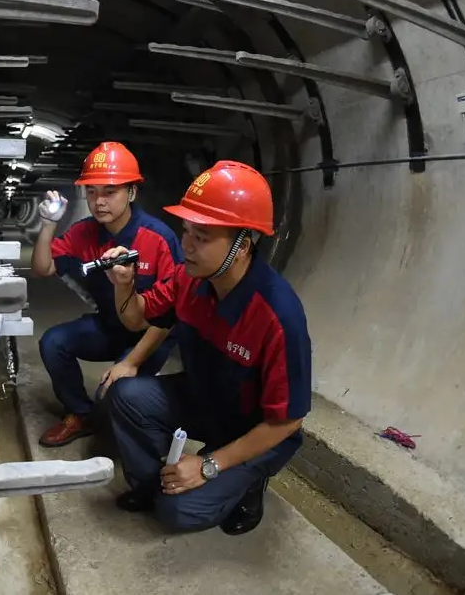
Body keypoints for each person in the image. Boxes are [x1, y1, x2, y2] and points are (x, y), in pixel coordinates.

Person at [99, 160, 312, 535]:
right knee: (125, 393)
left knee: (180, 514)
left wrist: (208, 464)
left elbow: (287, 420)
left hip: (253, 427)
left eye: (202, 236)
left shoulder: (278, 316)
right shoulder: (189, 279)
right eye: (186, 231)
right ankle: (157, 485)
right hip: (205, 400)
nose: (187, 245)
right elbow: (137, 319)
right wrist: (123, 284)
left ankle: (248, 482)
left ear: (242, 246)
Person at [30, 141, 183, 448]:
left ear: (131, 193)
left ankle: (123, 416)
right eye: (91, 192)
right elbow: (42, 268)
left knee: (114, 394)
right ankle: (81, 414)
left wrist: (131, 363)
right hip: (110, 325)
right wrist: (48, 224)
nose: (99, 201)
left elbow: (172, 316)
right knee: (53, 342)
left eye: (109, 192)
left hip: (149, 336)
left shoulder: (158, 238)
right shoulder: (84, 232)